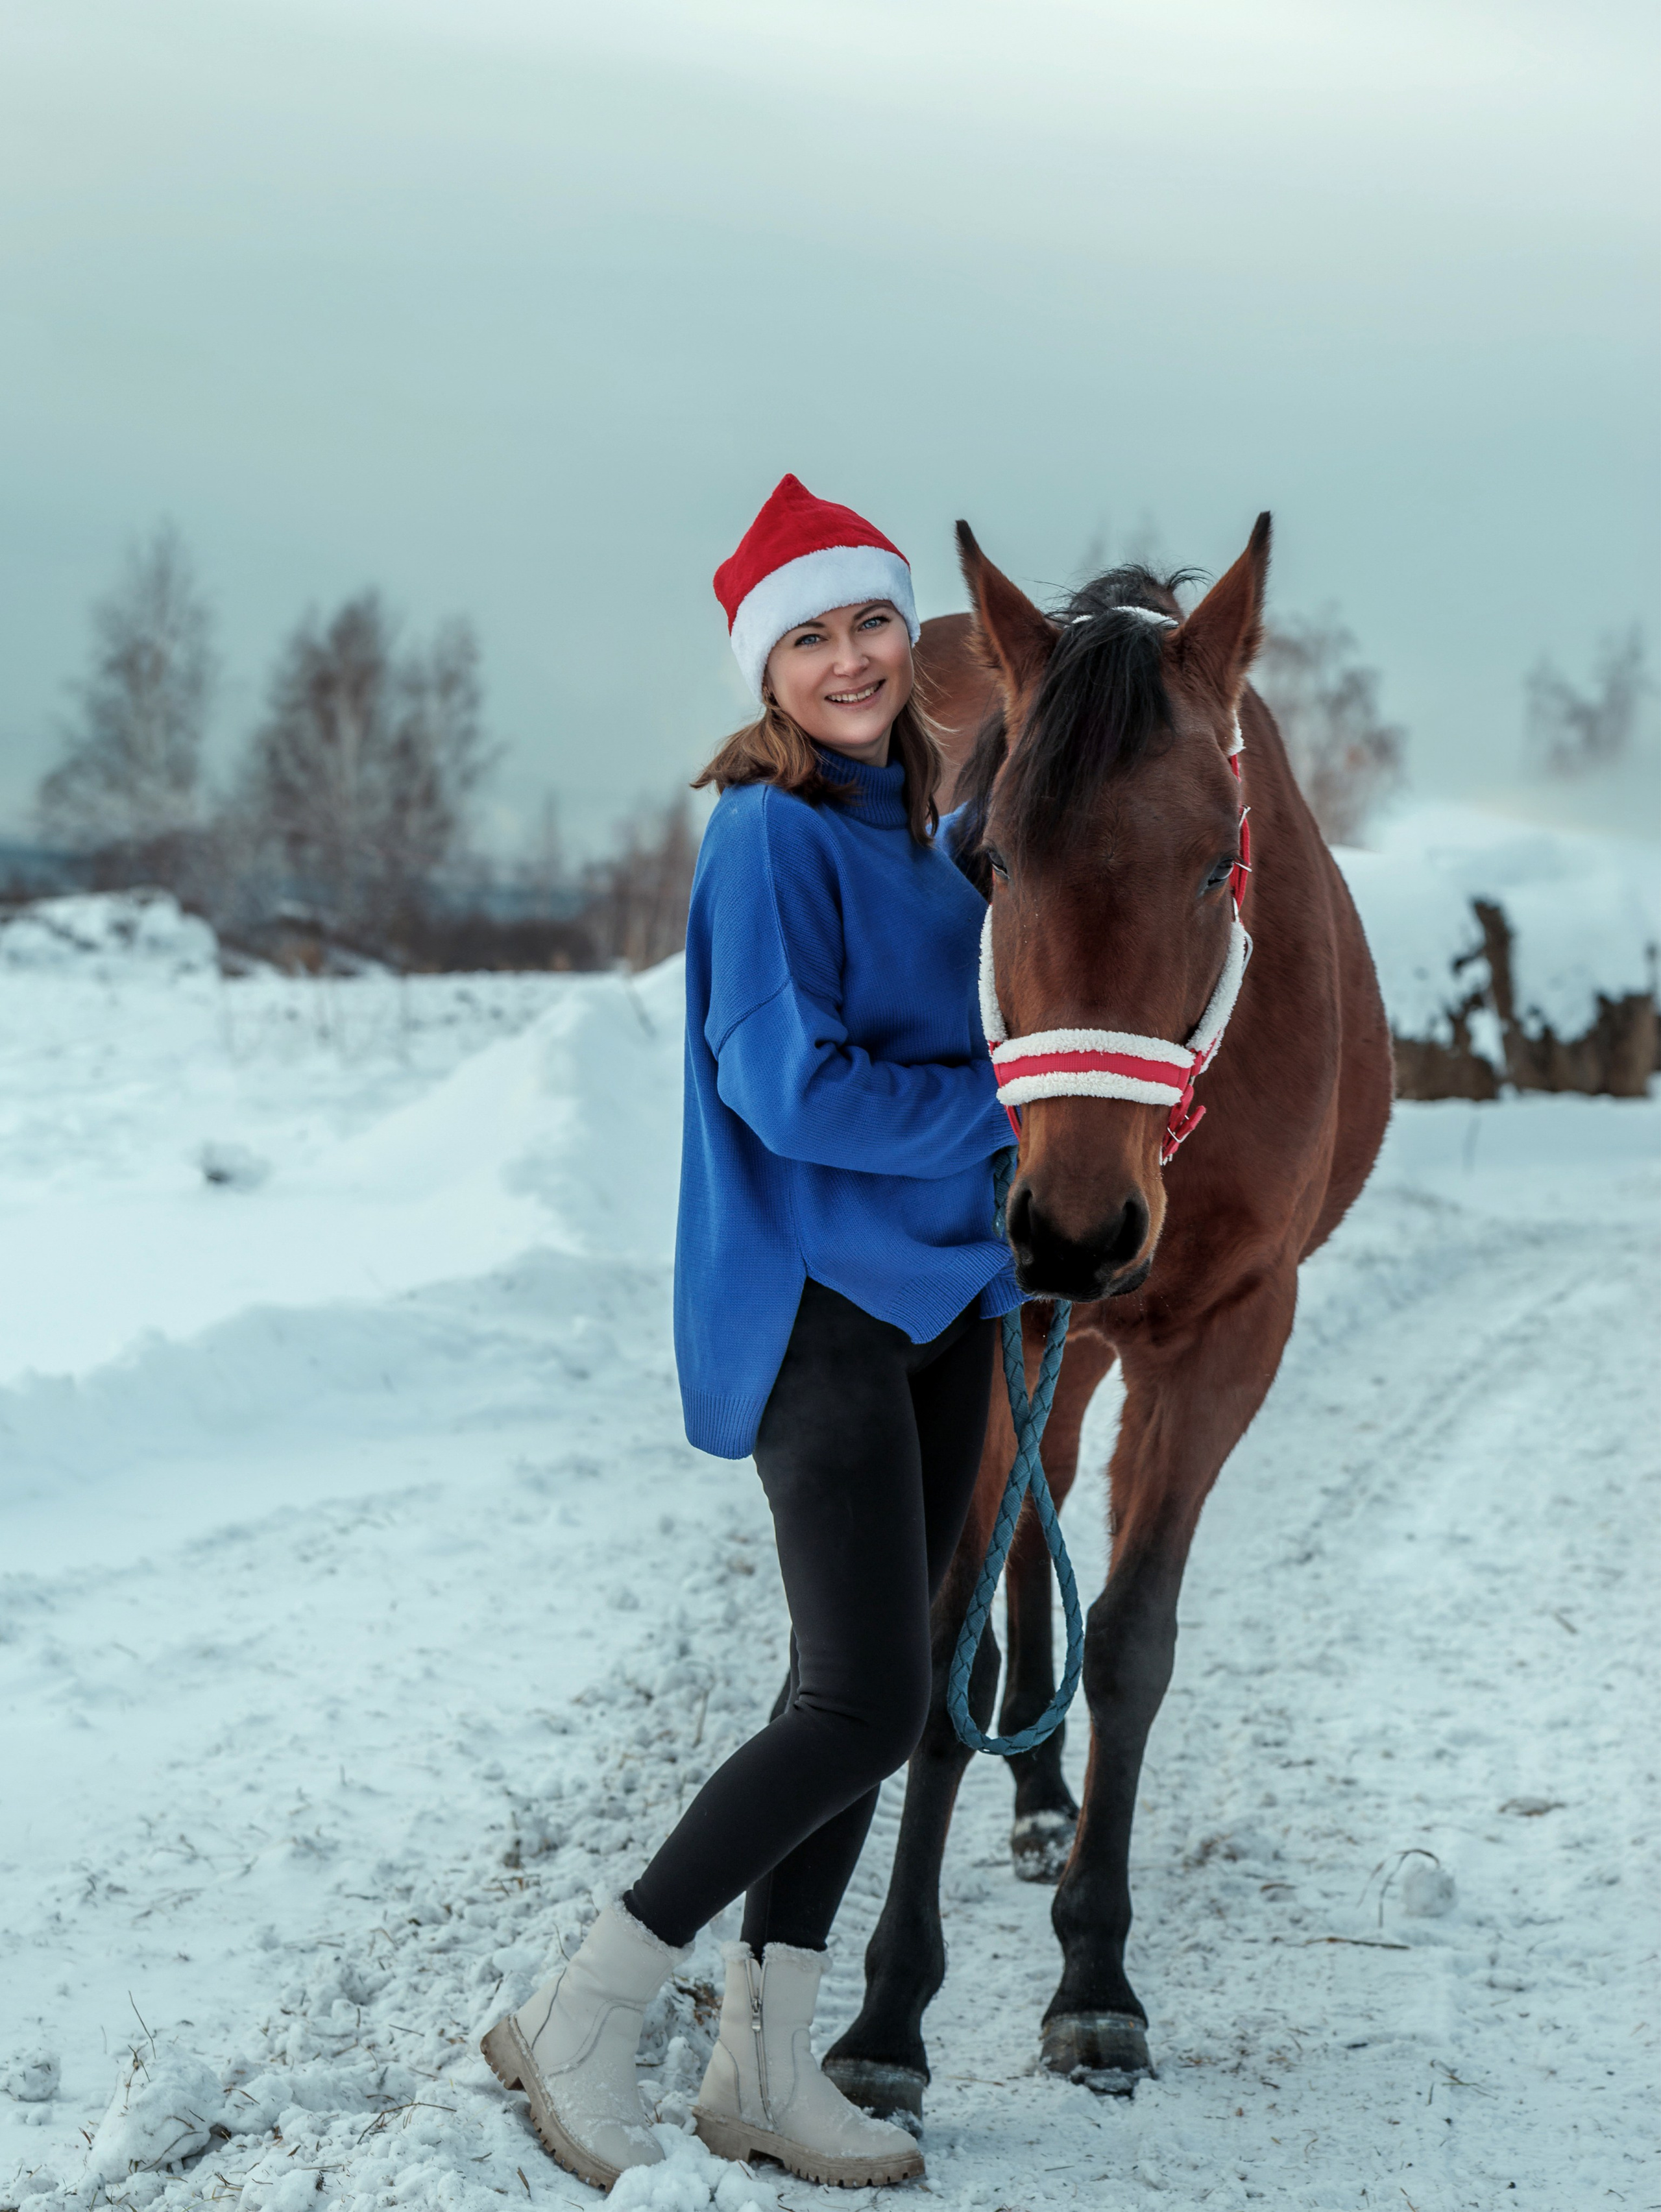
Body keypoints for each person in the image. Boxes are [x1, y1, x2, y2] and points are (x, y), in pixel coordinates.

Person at [481, 475, 1019, 2191]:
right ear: (765, 672)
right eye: (813, 636)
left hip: (942, 1311)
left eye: (872, 620)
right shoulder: (773, 833)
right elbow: (787, 1087)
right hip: (818, 1316)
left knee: (889, 1683)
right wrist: (1003, 1106)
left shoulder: (924, 833)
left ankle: (765, 2069)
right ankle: (588, 2000)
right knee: (858, 1703)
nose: (855, 657)